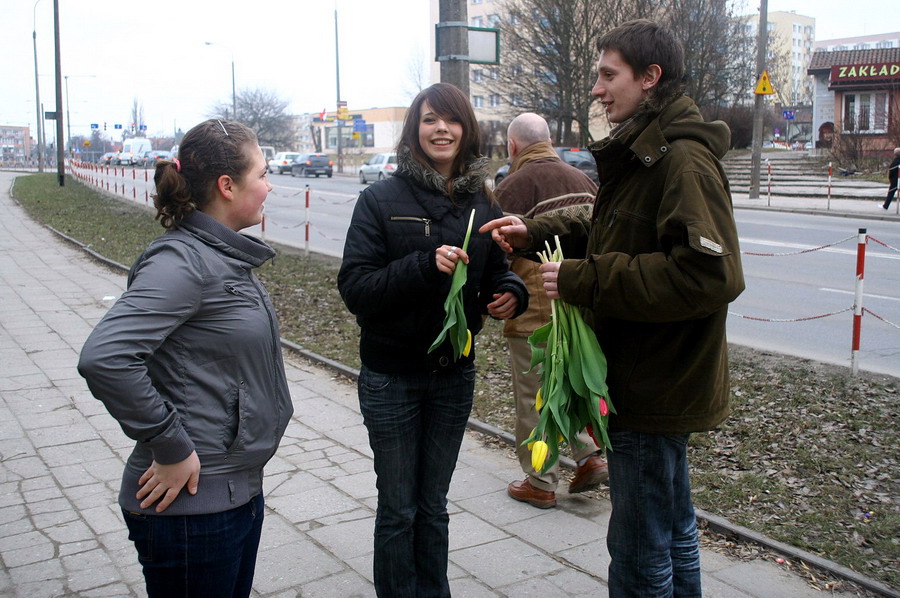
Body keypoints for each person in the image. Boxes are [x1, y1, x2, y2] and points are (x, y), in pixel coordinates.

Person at [480, 20, 745, 597]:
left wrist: (584, 279)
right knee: (672, 530)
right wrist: (535, 231)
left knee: (640, 548)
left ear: (649, 78)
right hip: (649, 377)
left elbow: (710, 274)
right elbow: (608, 224)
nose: (597, 89)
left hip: (655, 382)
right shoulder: (646, 149)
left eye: (608, 75)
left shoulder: (681, 162)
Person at [77, 119, 293, 598]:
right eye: (262, 173)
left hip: (233, 493)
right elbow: (106, 357)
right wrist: (169, 444)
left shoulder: (219, 255)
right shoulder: (184, 261)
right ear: (227, 185)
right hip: (193, 512)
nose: (269, 184)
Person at [337, 82, 528, 597]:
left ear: (466, 131)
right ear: (414, 130)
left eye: (451, 120)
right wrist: (424, 264)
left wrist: (510, 293)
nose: (440, 129)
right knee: (399, 508)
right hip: (392, 377)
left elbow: (499, 272)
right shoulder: (380, 199)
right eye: (429, 120)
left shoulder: (483, 202)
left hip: (452, 375)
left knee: (434, 505)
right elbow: (356, 289)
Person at [494, 112, 607, 510]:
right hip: (579, 302)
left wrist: (492, 296)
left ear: (513, 147)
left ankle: (540, 481)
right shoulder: (584, 180)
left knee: (535, 395)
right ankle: (590, 456)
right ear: (550, 140)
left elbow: (494, 251)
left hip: (534, 304)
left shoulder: (515, 185)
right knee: (571, 383)